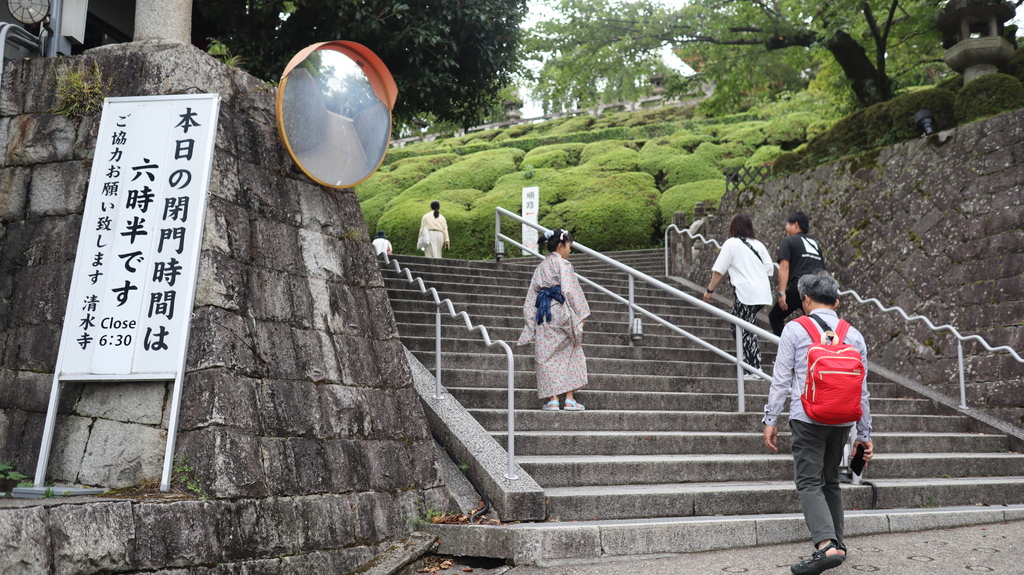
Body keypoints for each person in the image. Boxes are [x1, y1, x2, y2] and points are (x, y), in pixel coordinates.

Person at [762, 271, 873, 575]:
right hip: (842, 421)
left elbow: (782, 380)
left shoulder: (795, 330)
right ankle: (839, 544)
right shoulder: (854, 335)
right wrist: (864, 434)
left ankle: (826, 547)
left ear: (806, 300)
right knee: (831, 481)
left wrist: (770, 418)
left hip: (807, 417)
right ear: (836, 302)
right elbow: (862, 390)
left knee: (809, 482)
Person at [517, 229, 590, 411]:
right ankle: (570, 399)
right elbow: (570, 291)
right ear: (560, 245)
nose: (570, 251)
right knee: (571, 351)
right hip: (560, 312)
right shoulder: (563, 265)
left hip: (543, 314)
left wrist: (530, 320)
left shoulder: (541, 267)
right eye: (569, 247)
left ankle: (553, 400)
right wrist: (581, 313)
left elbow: (531, 295)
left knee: (546, 356)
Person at [702, 213, 773, 378]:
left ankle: (755, 368)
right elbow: (769, 269)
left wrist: (709, 291)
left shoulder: (731, 243)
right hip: (761, 293)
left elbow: (719, 269)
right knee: (737, 326)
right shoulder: (758, 245)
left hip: (745, 293)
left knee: (745, 329)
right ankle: (750, 364)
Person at [769, 211, 827, 336]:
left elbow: (784, 266)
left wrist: (782, 293)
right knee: (819, 323)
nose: (786, 228)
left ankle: (789, 348)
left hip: (799, 288)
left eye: (787, 225)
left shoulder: (788, 241)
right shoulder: (815, 245)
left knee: (775, 317)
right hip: (819, 288)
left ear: (795, 225)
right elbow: (824, 270)